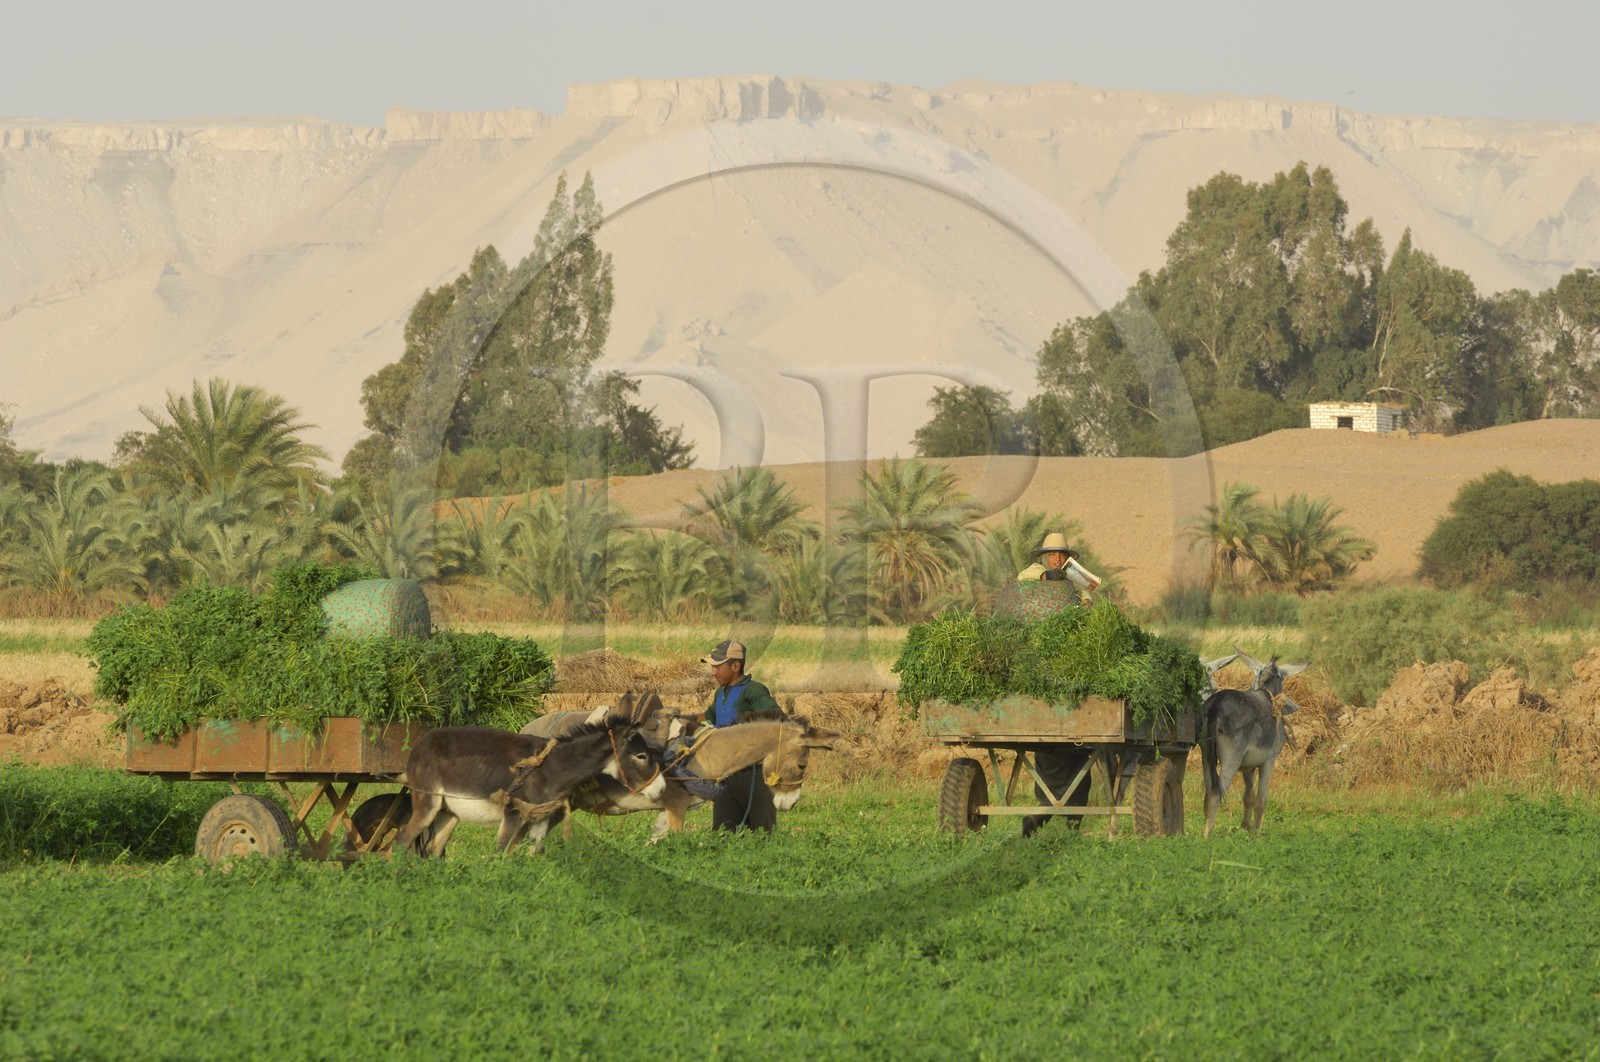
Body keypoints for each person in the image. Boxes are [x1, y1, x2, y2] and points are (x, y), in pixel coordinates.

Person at [700, 639, 785, 833]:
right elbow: (708, 717)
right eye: (712, 667)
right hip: (727, 774)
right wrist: (680, 720)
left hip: (754, 775)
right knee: (722, 833)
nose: (713, 672)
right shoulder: (721, 692)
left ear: (735, 666)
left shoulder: (754, 690)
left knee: (762, 834)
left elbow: (778, 718)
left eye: (718, 667)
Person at [1016, 531, 1102, 596]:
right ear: (1045, 557)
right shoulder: (1037, 568)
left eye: (1063, 555)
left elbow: (1082, 590)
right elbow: (1022, 576)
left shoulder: (1069, 575)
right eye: (1052, 555)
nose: (1058, 559)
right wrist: (1049, 575)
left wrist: (1086, 600)